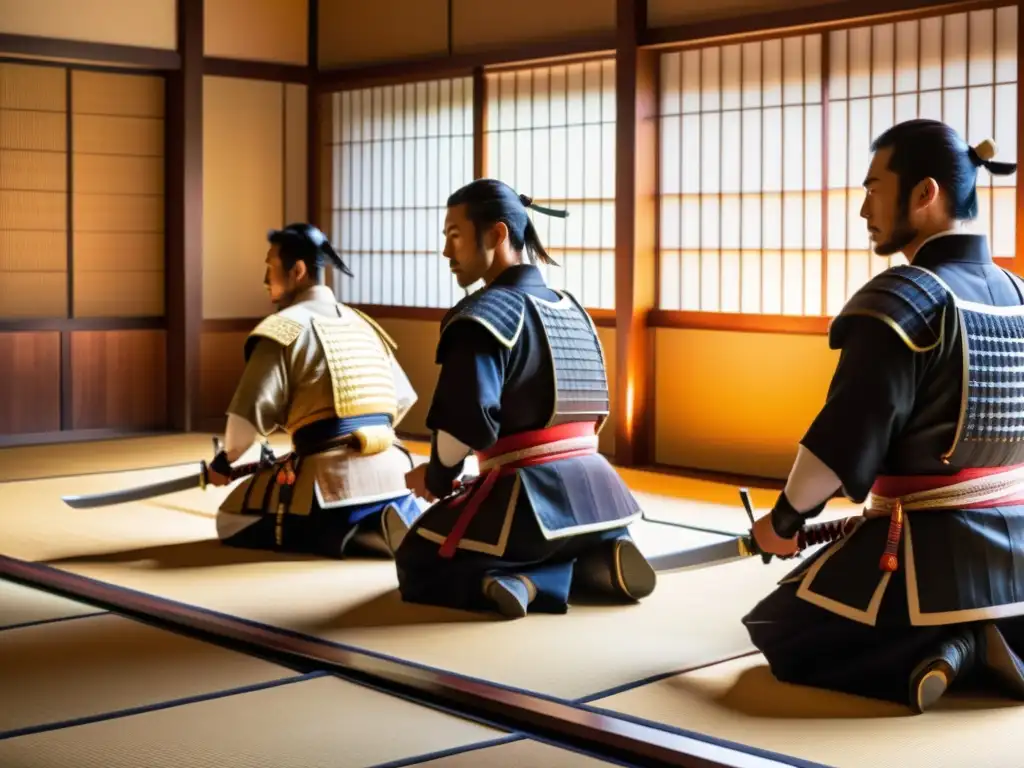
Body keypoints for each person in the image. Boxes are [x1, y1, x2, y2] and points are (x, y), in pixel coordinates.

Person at [742, 119, 1024, 713]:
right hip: (1016, 539)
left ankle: (954, 648)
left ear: (925, 194)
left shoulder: (905, 297)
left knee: (783, 628)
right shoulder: (1018, 295)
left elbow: (843, 439)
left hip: (926, 541)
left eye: (874, 187)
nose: (863, 207)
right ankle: (989, 637)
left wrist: (785, 520)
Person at [382, 179, 656, 620]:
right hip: (600, 497)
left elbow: (463, 423)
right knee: (548, 536)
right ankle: (598, 556)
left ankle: (531, 581)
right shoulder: (571, 308)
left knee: (419, 557)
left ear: (497, 235)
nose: (446, 253)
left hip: (527, 503)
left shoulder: (482, 315)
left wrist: (436, 476)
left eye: (454, 236)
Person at [206, 223, 424, 559]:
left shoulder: (283, 329)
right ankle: (383, 525)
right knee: (375, 498)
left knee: (231, 519)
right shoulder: (362, 323)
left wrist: (223, 462)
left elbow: (245, 422)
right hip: (395, 468)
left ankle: (358, 537)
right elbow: (403, 399)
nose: (266, 280)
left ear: (297, 270)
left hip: (329, 480)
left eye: (270, 268)